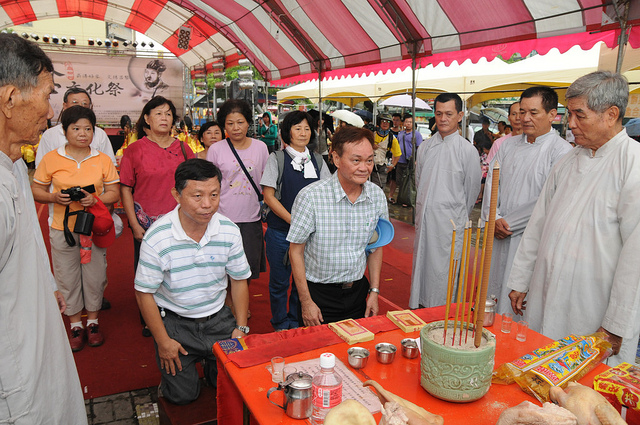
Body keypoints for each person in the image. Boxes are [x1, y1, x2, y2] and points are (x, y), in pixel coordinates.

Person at [507, 71, 640, 366]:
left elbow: (636, 257)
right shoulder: (568, 160)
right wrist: (521, 279)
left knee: (583, 395)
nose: (570, 124)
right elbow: (538, 223)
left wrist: (617, 324)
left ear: (611, 115)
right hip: (545, 289)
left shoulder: (633, 165)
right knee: (540, 368)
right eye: (570, 114)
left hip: (594, 306)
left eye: (580, 115)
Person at [0, 32, 87, 424]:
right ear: (10, 98)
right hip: (15, 376)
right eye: (48, 94)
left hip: (35, 340)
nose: (52, 112)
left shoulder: (15, 163)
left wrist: (48, 285)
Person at [135, 159, 251, 404]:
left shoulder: (229, 230)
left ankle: (211, 367)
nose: (207, 205)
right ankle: (173, 381)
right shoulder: (157, 237)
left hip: (219, 320)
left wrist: (241, 328)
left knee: (231, 387)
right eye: (197, 196)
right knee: (182, 397)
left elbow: (239, 280)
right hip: (176, 324)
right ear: (176, 194)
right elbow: (144, 293)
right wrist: (163, 341)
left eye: (214, 194)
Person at [32, 105, 120, 351]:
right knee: (67, 275)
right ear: (65, 130)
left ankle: (92, 321)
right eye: (76, 128)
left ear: (95, 132)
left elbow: (114, 191)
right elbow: (37, 190)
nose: (83, 133)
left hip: (93, 228)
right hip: (63, 228)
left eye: (88, 129)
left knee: (95, 275)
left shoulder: (102, 159)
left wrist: (96, 200)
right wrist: (54, 198)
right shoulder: (51, 158)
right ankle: (74, 325)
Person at [481, 87, 571, 314]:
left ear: (552, 114)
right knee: (492, 290)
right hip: (497, 230)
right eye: (522, 112)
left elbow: (550, 199)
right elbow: (492, 182)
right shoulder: (507, 144)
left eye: (533, 112)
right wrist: (495, 217)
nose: (524, 118)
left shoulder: (561, 151)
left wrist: (509, 223)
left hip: (530, 237)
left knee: (519, 301)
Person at [287, 126, 388, 326]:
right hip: (318, 294)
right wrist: (306, 302)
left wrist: (374, 291)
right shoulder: (311, 197)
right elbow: (295, 251)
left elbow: (375, 247)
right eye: (356, 160)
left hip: (357, 292)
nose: (364, 167)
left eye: (369, 160)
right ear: (336, 159)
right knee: (318, 355)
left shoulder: (376, 196)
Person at [120, 96, 195, 336]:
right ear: (147, 118)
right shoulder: (135, 150)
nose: (165, 118)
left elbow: (195, 183)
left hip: (180, 222)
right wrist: (133, 223)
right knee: (148, 272)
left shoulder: (183, 148)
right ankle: (150, 318)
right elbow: (126, 188)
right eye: (159, 113)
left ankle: (178, 312)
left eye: (169, 114)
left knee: (179, 268)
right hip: (147, 223)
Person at [260, 111, 331, 331]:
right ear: (286, 132)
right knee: (280, 281)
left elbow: (327, 192)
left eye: (307, 128)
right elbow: (269, 196)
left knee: (304, 281)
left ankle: (296, 317)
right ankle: (281, 321)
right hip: (281, 231)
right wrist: (295, 221)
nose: (303, 133)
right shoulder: (277, 159)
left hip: (310, 235)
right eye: (297, 128)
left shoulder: (318, 160)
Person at [409, 93, 481, 309]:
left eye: (449, 114)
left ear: (459, 115)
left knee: (445, 272)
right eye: (438, 113)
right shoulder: (426, 147)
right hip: (426, 220)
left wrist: (454, 214)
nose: (443, 119)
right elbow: (419, 181)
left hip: (450, 224)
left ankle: (443, 312)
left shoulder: (467, 150)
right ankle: (421, 306)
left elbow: (471, 192)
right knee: (423, 267)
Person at [207, 99, 269, 310]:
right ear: (224, 126)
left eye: (240, 122)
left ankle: (238, 303)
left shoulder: (261, 148)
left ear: (248, 123)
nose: (235, 128)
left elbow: (265, 181)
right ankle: (228, 304)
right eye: (230, 123)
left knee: (247, 265)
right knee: (222, 265)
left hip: (251, 217)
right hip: (222, 217)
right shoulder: (216, 149)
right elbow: (211, 184)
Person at [35, 87, 116, 168]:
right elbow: (41, 167)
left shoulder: (100, 134)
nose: (80, 107)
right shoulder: (50, 135)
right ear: (65, 106)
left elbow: (110, 165)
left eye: (84, 103)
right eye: (75, 102)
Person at [388, 114, 423, 205]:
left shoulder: (417, 134)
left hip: (411, 162)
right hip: (400, 161)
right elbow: (395, 148)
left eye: (410, 122)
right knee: (399, 181)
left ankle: (409, 200)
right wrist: (393, 160)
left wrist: (417, 161)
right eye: (407, 122)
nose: (408, 124)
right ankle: (402, 198)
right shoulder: (401, 134)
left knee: (410, 181)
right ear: (403, 123)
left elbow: (420, 148)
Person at [371, 114, 401, 189]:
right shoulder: (371, 134)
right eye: (383, 121)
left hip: (381, 166)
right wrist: (371, 145)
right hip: (368, 164)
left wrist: (392, 166)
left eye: (388, 121)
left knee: (379, 187)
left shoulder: (392, 138)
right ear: (379, 123)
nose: (385, 123)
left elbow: (397, 154)